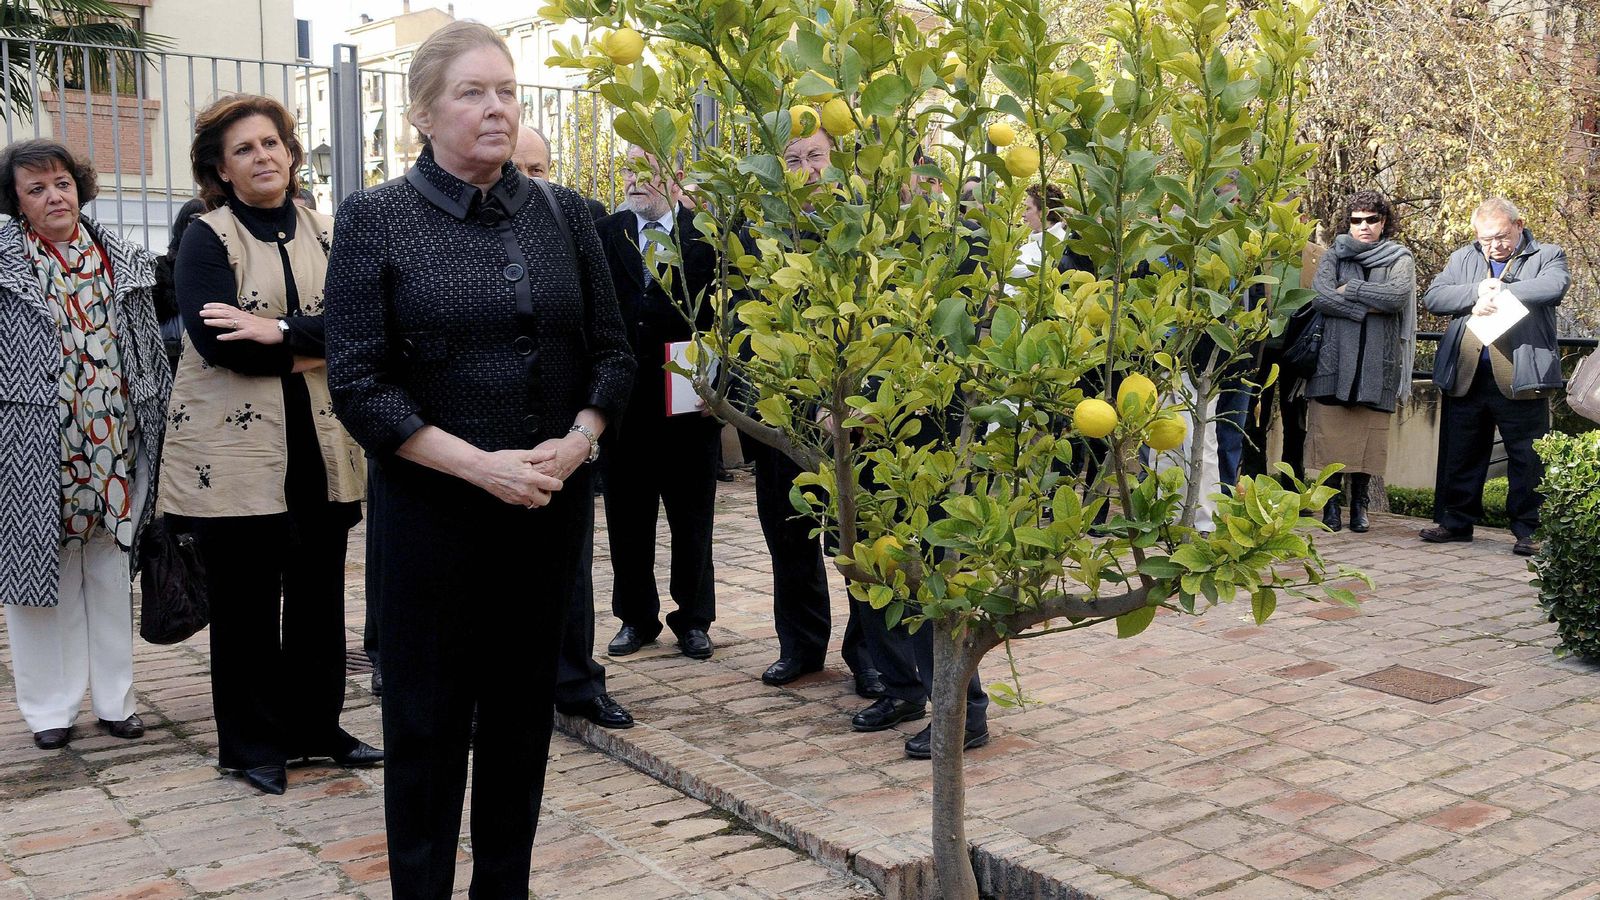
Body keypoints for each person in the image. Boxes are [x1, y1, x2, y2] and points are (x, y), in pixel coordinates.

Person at [323, 22, 634, 898]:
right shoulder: (376, 219)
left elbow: (613, 354)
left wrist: (576, 443)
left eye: (506, 89)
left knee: (519, 721)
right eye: (473, 92)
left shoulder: (567, 214)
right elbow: (358, 382)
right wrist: (478, 465)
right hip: (433, 518)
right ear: (424, 112)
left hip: (546, 508)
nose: (497, 107)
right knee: (424, 726)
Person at [160, 95, 380, 796]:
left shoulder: (327, 230)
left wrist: (281, 334)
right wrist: (318, 342)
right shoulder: (207, 236)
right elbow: (220, 345)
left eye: (271, 144)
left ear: (290, 152)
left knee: (319, 598)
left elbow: (369, 328)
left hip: (322, 446)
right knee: (247, 605)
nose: (262, 157)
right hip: (236, 455)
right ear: (220, 170)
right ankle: (251, 746)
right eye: (244, 150)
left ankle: (317, 727)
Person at [0, 139, 171, 750]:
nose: (55, 197)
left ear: (80, 186)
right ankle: (49, 709)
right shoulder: (6, 265)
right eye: (37, 188)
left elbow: (150, 348)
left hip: (113, 438)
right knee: (38, 577)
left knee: (107, 567)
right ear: (17, 202)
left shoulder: (119, 257)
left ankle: (115, 700)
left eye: (62, 183)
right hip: (29, 444)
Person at [753, 123, 881, 698]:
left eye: (816, 155)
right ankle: (800, 646)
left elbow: (888, 323)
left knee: (854, 539)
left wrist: (857, 401)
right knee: (789, 536)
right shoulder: (763, 232)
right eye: (794, 157)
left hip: (846, 414)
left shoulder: (865, 230)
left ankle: (870, 654)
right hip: (784, 410)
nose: (806, 168)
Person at [598, 146, 722, 664]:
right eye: (627, 170)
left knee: (692, 518)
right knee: (627, 516)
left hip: (690, 404)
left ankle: (694, 620)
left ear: (674, 177)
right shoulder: (606, 234)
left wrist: (721, 389)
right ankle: (635, 617)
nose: (633, 181)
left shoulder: (706, 237)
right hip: (625, 406)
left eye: (644, 171)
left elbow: (726, 316)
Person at [1422, 197, 1568, 556]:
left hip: (1522, 373)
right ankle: (1455, 522)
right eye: (1486, 239)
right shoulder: (1463, 258)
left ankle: (1530, 530)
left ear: (1519, 226)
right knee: (1462, 452)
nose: (1494, 246)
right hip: (1468, 372)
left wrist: (1504, 290)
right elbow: (1434, 297)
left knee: (1527, 457)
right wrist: (1474, 294)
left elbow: (1554, 286)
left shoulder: (1546, 254)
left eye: (1501, 236)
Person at [1305, 190, 1416, 533]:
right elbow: (1321, 298)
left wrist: (1349, 290)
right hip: (1334, 360)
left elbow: (1397, 297)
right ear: (1348, 223)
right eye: (1357, 220)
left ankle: (1360, 504)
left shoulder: (1400, 257)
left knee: (1369, 435)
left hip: (1376, 362)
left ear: (1384, 223)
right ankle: (1333, 504)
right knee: (1332, 433)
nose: (1363, 226)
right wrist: (1367, 307)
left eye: (1372, 219)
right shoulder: (1332, 255)